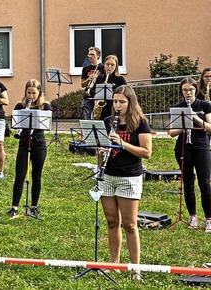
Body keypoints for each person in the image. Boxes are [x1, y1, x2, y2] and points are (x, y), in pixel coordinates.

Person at [100, 85, 152, 281]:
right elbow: (102, 148)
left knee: (129, 225)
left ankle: (135, 268)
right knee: (112, 222)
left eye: (122, 102)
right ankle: (115, 264)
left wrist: (123, 144)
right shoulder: (107, 122)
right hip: (108, 176)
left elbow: (147, 152)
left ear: (130, 103)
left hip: (129, 176)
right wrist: (101, 153)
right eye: (115, 101)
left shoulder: (140, 123)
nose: (118, 105)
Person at [168, 77, 211, 232]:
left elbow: (210, 127)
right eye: (185, 90)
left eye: (191, 90)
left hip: (201, 146)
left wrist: (195, 118)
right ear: (181, 91)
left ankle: (209, 218)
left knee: (205, 183)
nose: (188, 93)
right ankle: (192, 216)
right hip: (184, 146)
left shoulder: (204, 105)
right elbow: (172, 132)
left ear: (195, 90)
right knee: (188, 182)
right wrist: (184, 124)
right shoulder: (178, 107)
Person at [7, 79, 51, 219]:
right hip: (24, 142)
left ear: (39, 93)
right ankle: (14, 207)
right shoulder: (20, 106)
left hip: (39, 143)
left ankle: (34, 206)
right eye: (28, 93)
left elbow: (46, 124)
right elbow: (15, 123)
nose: (31, 96)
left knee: (36, 176)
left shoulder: (45, 107)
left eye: (34, 93)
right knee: (19, 175)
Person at [93, 55, 127, 120]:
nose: (109, 67)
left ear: (116, 66)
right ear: (104, 65)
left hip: (114, 108)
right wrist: (96, 104)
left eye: (112, 65)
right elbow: (96, 93)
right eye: (107, 64)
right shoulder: (100, 78)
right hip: (102, 109)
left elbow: (125, 94)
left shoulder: (120, 79)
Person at [80, 46, 104, 120]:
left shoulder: (102, 68)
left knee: (98, 117)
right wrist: (89, 79)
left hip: (99, 96)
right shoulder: (85, 68)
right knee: (86, 117)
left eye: (92, 54)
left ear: (98, 56)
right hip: (88, 96)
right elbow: (82, 85)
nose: (90, 56)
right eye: (89, 55)